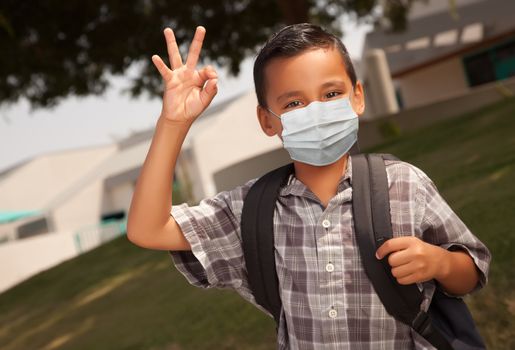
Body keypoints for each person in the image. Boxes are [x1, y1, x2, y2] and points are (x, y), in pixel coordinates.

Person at [127, 23, 491, 349]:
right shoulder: (251, 210)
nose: (315, 111)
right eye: (294, 103)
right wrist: (173, 124)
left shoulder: (404, 183)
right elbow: (149, 229)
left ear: (357, 97)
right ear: (267, 121)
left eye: (331, 94)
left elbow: (472, 271)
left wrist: (440, 262)